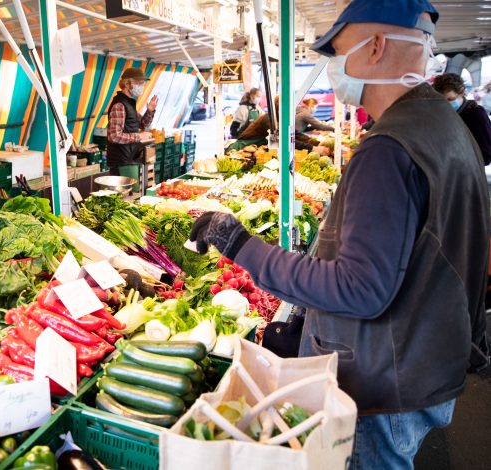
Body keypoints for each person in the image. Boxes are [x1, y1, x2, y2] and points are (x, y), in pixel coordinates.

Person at [190, 1, 489, 469]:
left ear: (375, 47)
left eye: (337, 50)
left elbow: (360, 288)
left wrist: (241, 245)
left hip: (382, 380)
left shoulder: (387, 150)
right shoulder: (445, 126)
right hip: (427, 360)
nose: (332, 66)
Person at [106, 68, 158, 178]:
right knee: (125, 194)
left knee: (132, 193)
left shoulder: (129, 104)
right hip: (121, 161)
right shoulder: (119, 105)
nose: (142, 86)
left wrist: (149, 111)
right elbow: (114, 136)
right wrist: (139, 136)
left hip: (129, 158)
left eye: (143, 83)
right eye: (139, 83)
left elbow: (142, 124)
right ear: (127, 83)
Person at [433, 73, 491, 165]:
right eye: (442, 101)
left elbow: (486, 156)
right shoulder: (440, 115)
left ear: (462, 92)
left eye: (450, 99)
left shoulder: (477, 115)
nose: (446, 104)